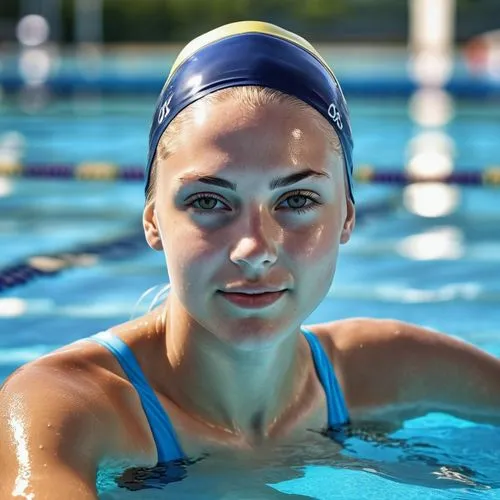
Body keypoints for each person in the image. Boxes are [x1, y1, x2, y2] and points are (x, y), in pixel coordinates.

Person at [1, 20, 500, 500]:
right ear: (152, 222)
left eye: (297, 200)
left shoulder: (387, 369)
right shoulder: (67, 408)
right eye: (209, 202)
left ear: (348, 216)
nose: (255, 249)